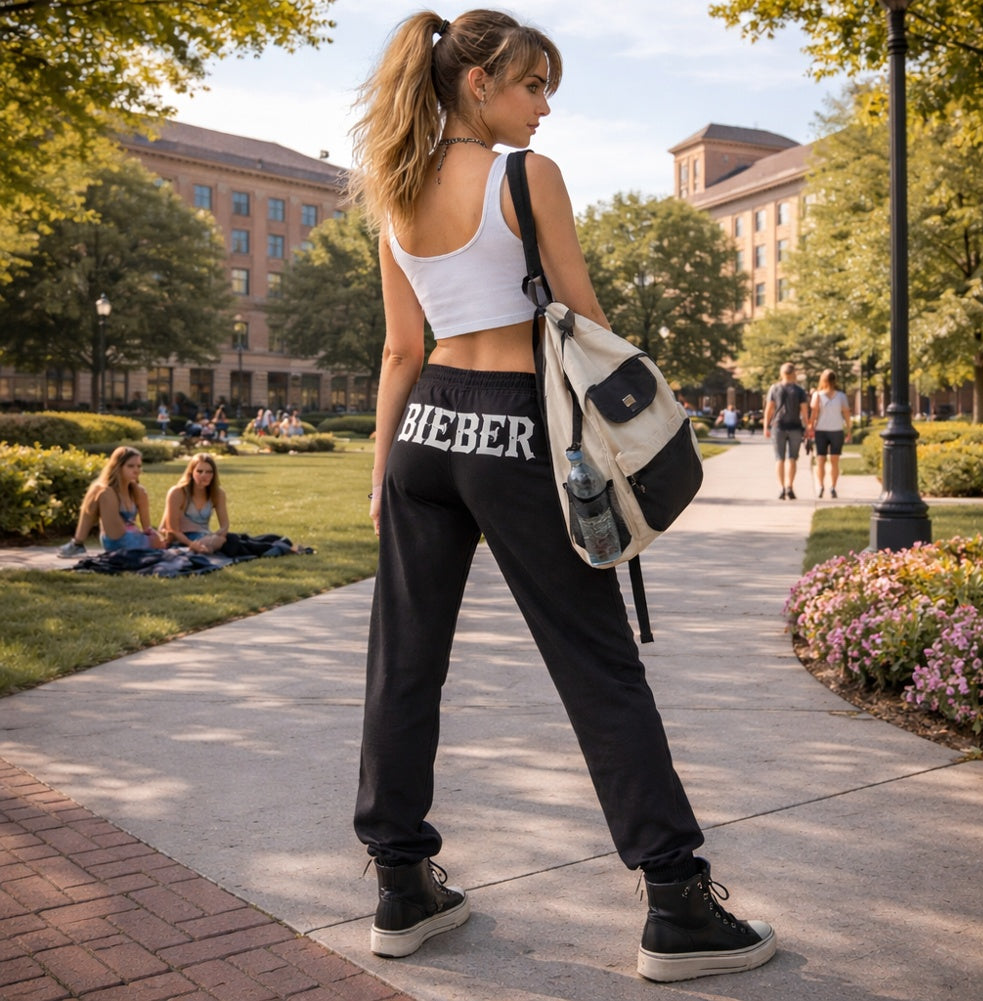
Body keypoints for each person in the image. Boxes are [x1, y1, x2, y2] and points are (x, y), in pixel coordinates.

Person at [349, 9, 776, 982]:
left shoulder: (395, 184)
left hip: (423, 430)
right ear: (475, 84)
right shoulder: (521, 177)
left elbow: (398, 349)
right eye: (531, 86)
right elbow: (579, 317)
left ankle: (400, 884)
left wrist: (381, 470)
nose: (542, 108)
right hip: (514, 430)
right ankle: (674, 899)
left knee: (402, 664)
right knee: (596, 665)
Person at [57, 446, 165, 558]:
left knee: (102, 489)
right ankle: (77, 543)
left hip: (136, 539)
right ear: (118, 467)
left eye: (138, 466)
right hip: (116, 538)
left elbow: (147, 528)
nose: (136, 470)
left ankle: (77, 544)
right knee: (102, 490)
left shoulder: (139, 491)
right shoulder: (105, 491)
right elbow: (88, 513)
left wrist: (157, 539)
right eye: (130, 466)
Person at [159, 452, 230, 553]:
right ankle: (190, 550)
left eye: (209, 472)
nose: (204, 475)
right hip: (178, 537)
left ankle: (194, 550)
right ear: (191, 472)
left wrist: (218, 535)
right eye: (199, 471)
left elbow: (225, 525)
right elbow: (172, 529)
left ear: (214, 475)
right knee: (216, 544)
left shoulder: (218, 493)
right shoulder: (178, 492)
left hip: (203, 536)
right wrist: (191, 544)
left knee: (225, 539)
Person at [763, 362, 809, 500]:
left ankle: (781, 488)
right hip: (795, 427)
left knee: (779, 459)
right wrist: (807, 427)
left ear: (782, 373)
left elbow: (769, 409)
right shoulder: (800, 391)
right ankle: (790, 486)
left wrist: (766, 426)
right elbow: (805, 412)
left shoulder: (774, 388)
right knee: (792, 458)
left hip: (778, 426)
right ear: (793, 373)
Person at [808, 369, 852, 498]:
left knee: (820, 459)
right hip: (836, 430)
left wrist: (810, 427)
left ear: (823, 380)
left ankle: (821, 486)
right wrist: (849, 430)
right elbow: (847, 414)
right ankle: (832, 487)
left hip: (822, 431)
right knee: (834, 461)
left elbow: (813, 414)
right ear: (835, 380)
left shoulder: (817, 395)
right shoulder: (841, 396)